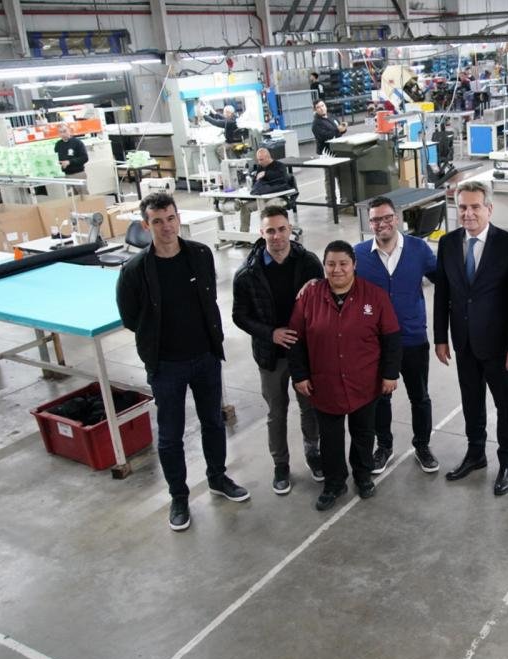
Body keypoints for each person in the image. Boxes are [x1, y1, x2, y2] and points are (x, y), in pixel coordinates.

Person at [116, 192, 249, 531]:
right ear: (146, 225)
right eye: (157, 221)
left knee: (213, 423)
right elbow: (130, 318)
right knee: (171, 436)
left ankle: (217, 477)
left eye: (171, 218)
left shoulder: (200, 255)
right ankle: (179, 496)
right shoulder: (135, 271)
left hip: (205, 357)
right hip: (166, 366)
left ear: (178, 219)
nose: (166, 227)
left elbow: (209, 298)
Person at [288, 241, 402, 511]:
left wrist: (389, 374)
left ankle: (363, 476)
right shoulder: (309, 296)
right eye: (331, 264)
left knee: (363, 434)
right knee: (330, 439)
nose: (337, 270)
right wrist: (300, 375)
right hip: (324, 383)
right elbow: (295, 339)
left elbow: (391, 338)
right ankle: (334, 483)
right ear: (324, 266)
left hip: (364, 383)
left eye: (343, 264)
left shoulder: (374, 296)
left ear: (354, 265)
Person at [433, 180, 508, 495]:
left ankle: (507, 461)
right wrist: (440, 337)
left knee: (505, 407)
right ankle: (475, 454)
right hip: (464, 342)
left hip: (500, 347)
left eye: (475, 207)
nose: (468, 213)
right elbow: (442, 293)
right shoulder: (448, 243)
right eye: (462, 207)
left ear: (489, 208)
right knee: (471, 401)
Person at [232, 205, 325, 495]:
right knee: (277, 411)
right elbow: (239, 316)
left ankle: (313, 452)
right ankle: (281, 464)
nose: (277, 236)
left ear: (290, 229)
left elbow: (322, 301)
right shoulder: (247, 274)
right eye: (270, 230)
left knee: (310, 407)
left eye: (282, 229)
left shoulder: (308, 263)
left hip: (305, 352)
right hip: (271, 356)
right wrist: (270, 333)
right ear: (261, 233)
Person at [353, 196, 441, 474]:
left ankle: (422, 445)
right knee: (380, 398)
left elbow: (444, 280)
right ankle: (384, 446)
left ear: (397, 218)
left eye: (387, 217)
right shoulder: (358, 255)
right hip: (376, 343)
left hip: (413, 337)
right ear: (369, 224)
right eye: (376, 219)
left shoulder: (419, 249)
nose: (382, 223)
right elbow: (339, 285)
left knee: (420, 396)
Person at [238, 147, 293, 233]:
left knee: (267, 207)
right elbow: (257, 182)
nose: (259, 162)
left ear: (268, 157)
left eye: (261, 160)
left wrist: (266, 174)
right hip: (263, 198)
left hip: (278, 197)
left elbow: (281, 180)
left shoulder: (280, 166)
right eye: (258, 160)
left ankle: (269, 233)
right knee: (245, 207)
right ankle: (243, 234)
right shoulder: (261, 167)